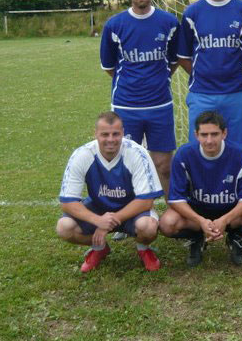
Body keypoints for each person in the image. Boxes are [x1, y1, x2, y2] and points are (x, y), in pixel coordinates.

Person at [99, 0, 180, 196]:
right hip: (126, 106)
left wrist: (158, 79)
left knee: (164, 165)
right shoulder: (115, 25)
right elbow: (109, 67)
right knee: (125, 164)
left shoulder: (169, 22)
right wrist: (132, 82)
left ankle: (173, 211)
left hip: (160, 105)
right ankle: (129, 212)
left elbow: (174, 61)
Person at [56, 112, 164, 272]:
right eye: (105, 134)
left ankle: (143, 249)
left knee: (147, 227)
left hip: (132, 210)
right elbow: (67, 203)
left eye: (116, 134)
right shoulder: (82, 155)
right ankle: (99, 248)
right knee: (64, 227)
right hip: (98, 208)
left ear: (123, 133)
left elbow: (146, 201)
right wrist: (97, 220)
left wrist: (111, 221)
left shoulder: (136, 153)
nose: (111, 139)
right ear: (95, 134)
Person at [159, 111, 242, 266]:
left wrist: (225, 220)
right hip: (197, 212)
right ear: (196, 135)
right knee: (167, 223)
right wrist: (201, 221)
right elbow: (176, 199)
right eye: (204, 135)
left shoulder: (240, 154)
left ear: (224, 133)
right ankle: (196, 238)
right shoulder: (184, 154)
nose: (209, 140)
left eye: (214, 134)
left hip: (232, 212)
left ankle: (235, 237)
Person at [177, 0, 242, 146]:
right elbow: (184, 56)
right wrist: (203, 74)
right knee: (200, 147)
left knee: (237, 147)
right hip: (202, 93)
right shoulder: (192, 13)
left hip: (238, 92)